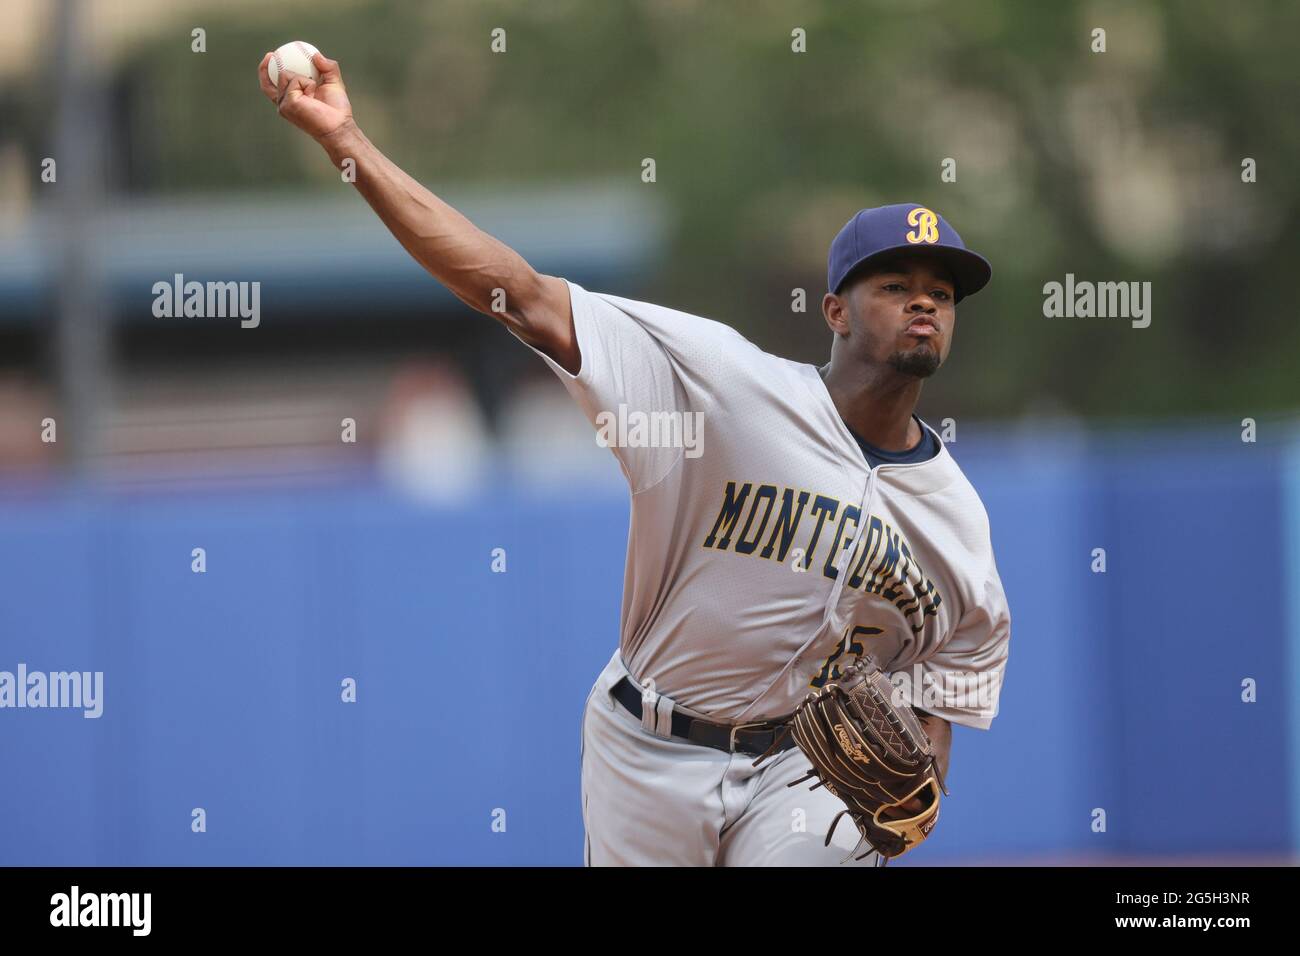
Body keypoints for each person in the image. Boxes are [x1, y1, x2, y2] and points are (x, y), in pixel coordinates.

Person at [259, 49, 1011, 866]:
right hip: (649, 747)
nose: (924, 299)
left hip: (804, 773)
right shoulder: (722, 385)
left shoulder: (954, 515)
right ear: (834, 309)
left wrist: (917, 791)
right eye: (895, 282)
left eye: (942, 288)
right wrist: (349, 144)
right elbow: (518, 291)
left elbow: (949, 669)